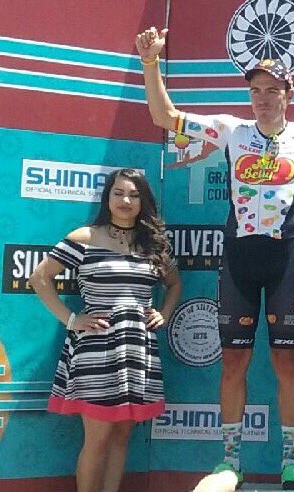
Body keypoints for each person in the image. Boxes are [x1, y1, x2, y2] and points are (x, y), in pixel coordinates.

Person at [135, 28, 294, 490]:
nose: (262, 98)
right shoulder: (231, 131)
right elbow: (165, 115)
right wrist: (151, 63)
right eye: (255, 90)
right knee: (234, 363)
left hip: (285, 261)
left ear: (288, 94)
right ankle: (230, 462)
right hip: (238, 260)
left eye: (271, 90)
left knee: (286, 362)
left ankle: (291, 462)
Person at [30, 169, 182, 492]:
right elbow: (39, 278)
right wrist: (71, 320)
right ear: (107, 197)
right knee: (97, 439)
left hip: (137, 351)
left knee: (121, 437)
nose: (125, 200)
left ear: (143, 201)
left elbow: (174, 284)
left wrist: (164, 313)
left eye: (134, 195)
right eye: (118, 193)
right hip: (95, 351)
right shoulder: (84, 237)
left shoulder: (154, 244)